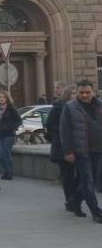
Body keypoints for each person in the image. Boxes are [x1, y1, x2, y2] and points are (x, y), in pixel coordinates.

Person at [60, 80, 102, 224]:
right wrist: (68, 151)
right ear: (77, 92)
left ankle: (74, 202)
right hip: (81, 151)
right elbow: (64, 131)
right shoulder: (70, 107)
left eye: (87, 92)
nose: (85, 95)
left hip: (98, 149)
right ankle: (96, 212)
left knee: (92, 180)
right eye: (81, 92)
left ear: (93, 92)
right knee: (87, 180)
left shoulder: (100, 105)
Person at [47, 85, 80, 215]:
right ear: (67, 94)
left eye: (76, 93)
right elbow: (49, 125)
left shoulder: (81, 107)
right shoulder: (58, 107)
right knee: (68, 176)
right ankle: (70, 200)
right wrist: (64, 130)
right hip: (62, 146)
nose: (75, 95)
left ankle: (74, 199)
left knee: (83, 175)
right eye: (73, 93)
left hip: (79, 146)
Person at [0, 92, 22, 181]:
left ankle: (9, 172)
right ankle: (5, 171)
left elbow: (19, 120)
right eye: (0, 97)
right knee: (0, 153)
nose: (1, 99)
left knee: (6, 153)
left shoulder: (11, 108)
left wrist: (12, 127)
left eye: (3, 97)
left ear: (7, 99)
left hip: (9, 134)